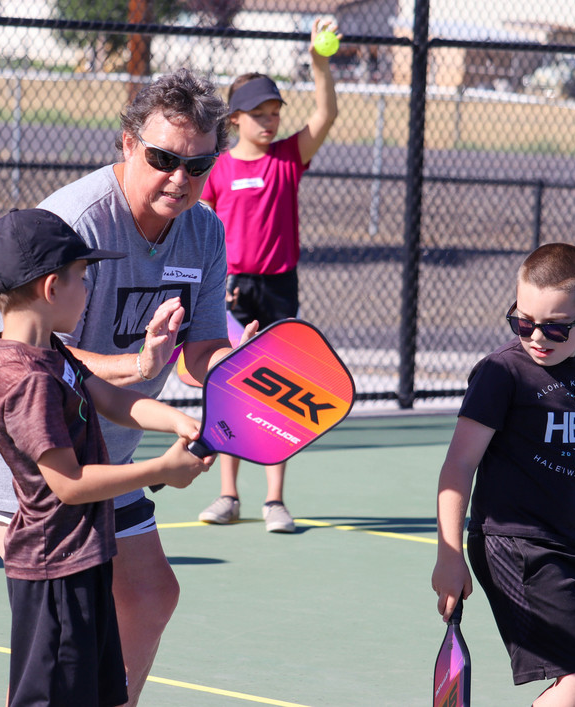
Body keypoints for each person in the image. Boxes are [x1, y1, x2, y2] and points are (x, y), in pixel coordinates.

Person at [0, 68, 257, 707]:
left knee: (148, 593)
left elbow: (198, 352)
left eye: (199, 165)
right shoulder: (75, 222)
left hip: (102, 437)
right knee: (54, 634)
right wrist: (138, 368)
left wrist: (247, 374)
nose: (180, 179)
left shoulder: (205, 231)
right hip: (12, 444)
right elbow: (41, 353)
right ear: (127, 144)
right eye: (164, 158)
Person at [0, 208, 213, 706]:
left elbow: (107, 396)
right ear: (50, 288)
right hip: (53, 572)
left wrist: (173, 419)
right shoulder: (25, 379)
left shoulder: (49, 353)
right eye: (83, 277)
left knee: (99, 694)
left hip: (85, 557)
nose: (88, 290)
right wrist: (161, 471)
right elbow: (68, 482)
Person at [430, 243, 575, 706]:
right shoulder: (500, 373)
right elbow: (459, 465)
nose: (537, 337)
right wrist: (448, 554)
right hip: (513, 545)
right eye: (523, 321)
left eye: (554, 326)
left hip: (566, 543)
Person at [198, 17, 340, 533]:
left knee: (278, 388)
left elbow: (327, 112)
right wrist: (216, 281)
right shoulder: (218, 169)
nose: (270, 121)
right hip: (231, 289)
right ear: (235, 119)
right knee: (231, 385)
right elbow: (206, 234)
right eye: (259, 113)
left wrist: (320, 65)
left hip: (280, 286)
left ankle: (275, 501)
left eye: (276, 112)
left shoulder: (288, 158)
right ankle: (229, 495)